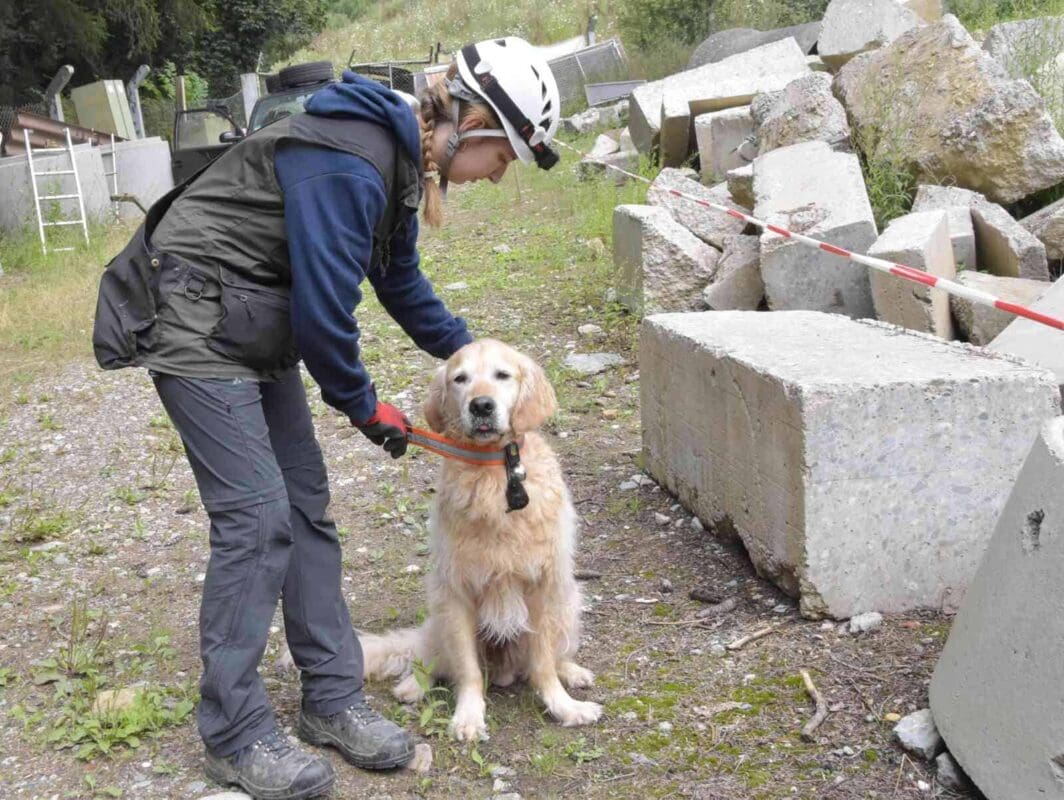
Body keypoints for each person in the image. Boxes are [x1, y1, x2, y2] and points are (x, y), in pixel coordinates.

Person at [92, 37, 561, 800]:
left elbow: (400, 281)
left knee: (305, 505)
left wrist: (473, 356)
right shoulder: (352, 157)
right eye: (503, 157)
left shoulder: (403, 163)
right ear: (472, 124)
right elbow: (324, 317)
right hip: (191, 313)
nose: (497, 174)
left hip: (252, 320)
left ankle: (332, 697)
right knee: (255, 516)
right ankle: (235, 732)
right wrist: (366, 405)